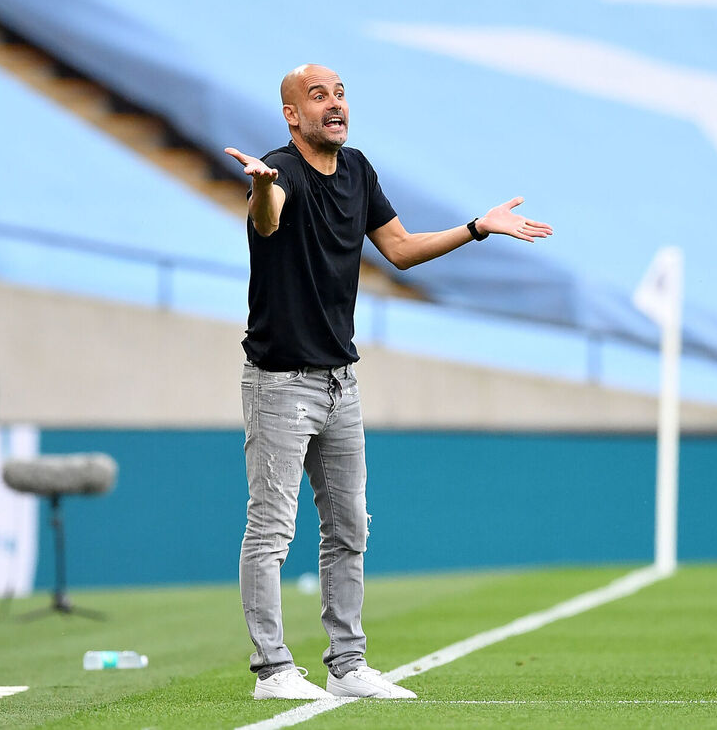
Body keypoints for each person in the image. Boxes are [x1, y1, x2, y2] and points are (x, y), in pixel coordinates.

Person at [225, 63, 552, 701]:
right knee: (272, 527)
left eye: (340, 93)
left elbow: (398, 249)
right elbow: (268, 222)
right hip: (280, 382)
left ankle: (347, 665)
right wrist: (262, 188)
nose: (334, 105)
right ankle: (273, 671)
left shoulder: (358, 170)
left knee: (349, 526)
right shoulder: (279, 171)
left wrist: (477, 228)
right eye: (317, 97)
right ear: (292, 115)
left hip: (340, 382)